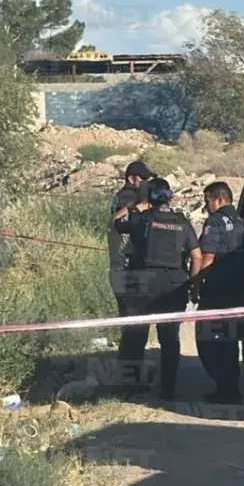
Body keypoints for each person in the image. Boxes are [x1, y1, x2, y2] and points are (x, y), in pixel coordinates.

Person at [112, 177, 202, 401]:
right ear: (169, 197)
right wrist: (192, 286)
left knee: (135, 337)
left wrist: (136, 205)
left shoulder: (141, 219)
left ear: (149, 197)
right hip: (173, 286)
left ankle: (130, 389)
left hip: (142, 284)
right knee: (169, 340)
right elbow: (196, 256)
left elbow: (115, 222)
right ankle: (167, 391)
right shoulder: (182, 223)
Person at [194, 181, 244, 403]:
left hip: (217, 289)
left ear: (218, 199)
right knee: (230, 339)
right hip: (240, 290)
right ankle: (230, 387)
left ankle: (224, 386)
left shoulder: (215, 221)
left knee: (208, 338)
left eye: (207, 201)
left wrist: (196, 283)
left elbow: (208, 256)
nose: (206, 206)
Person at [107, 161, 154, 393]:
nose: (146, 184)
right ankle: (129, 383)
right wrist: (142, 207)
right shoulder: (128, 199)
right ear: (133, 178)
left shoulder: (125, 198)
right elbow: (120, 222)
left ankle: (130, 380)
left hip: (123, 270)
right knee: (135, 330)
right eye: (143, 180)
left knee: (134, 329)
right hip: (127, 272)